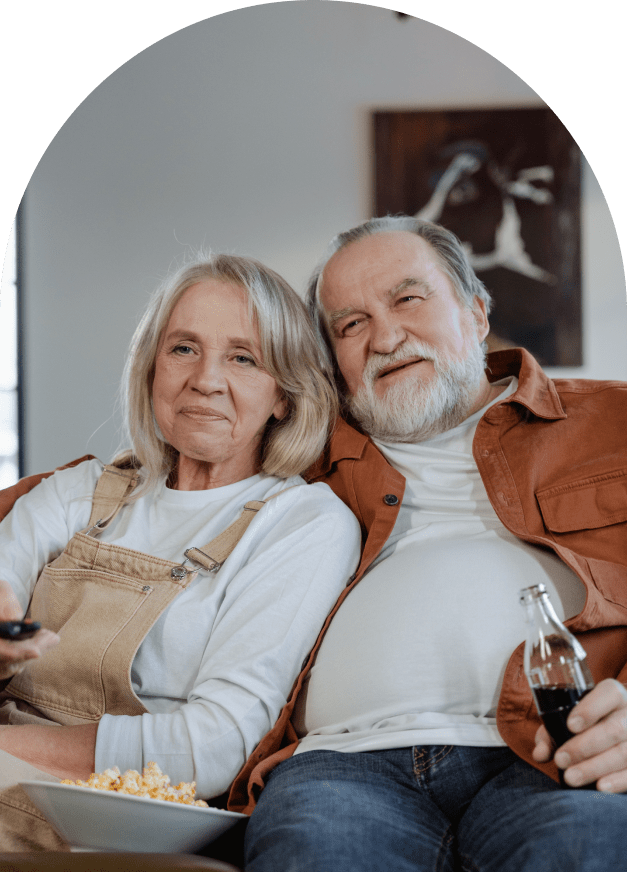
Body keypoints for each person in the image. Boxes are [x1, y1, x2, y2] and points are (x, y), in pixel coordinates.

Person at [231, 217, 627, 871]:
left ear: (476, 312)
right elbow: (152, 485)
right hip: (344, 767)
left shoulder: (613, 421)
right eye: (350, 325)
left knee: (586, 848)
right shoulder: (293, 458)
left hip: (556, 751)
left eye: (408, 299)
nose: (385, 338)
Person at [0, 253, 360, 851]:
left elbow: (212, 747)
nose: (205, 379)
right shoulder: (78, 492)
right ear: (151, 369)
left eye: (243, 358)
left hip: (119, 817)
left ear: (284, 395)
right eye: (183, 349)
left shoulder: (302, 523)